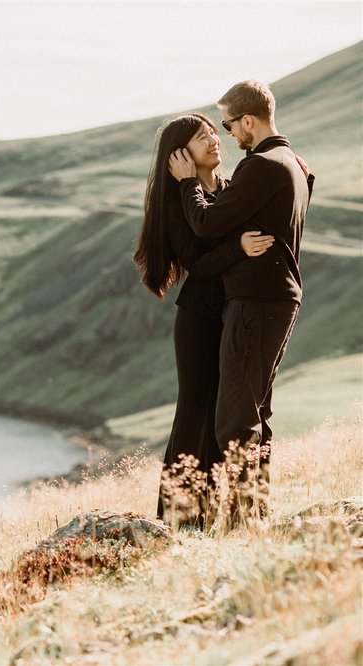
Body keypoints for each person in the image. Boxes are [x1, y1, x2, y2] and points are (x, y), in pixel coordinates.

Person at [168, 81, 314, 527]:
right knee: (255, 412)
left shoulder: (263, 166)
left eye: (230, 125)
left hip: (257, 302)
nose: (229, 135)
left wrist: (189, 183)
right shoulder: (296, 164)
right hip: (276, 299)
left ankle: (241, 522)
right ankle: (255, 517)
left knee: (233, 417)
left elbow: (208, 222)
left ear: (248, 120)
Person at [135, 112, 273, 529]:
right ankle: (176, 519)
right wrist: (239, 249)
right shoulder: (180, 198)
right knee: (195, 413)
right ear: (180, 155)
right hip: (199, 318)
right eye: (202, 137)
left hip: (234, 314)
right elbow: (198, 262)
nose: (215, 140)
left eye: (215, 132)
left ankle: (209, 514)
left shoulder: (229, 189)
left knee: (224, 415)